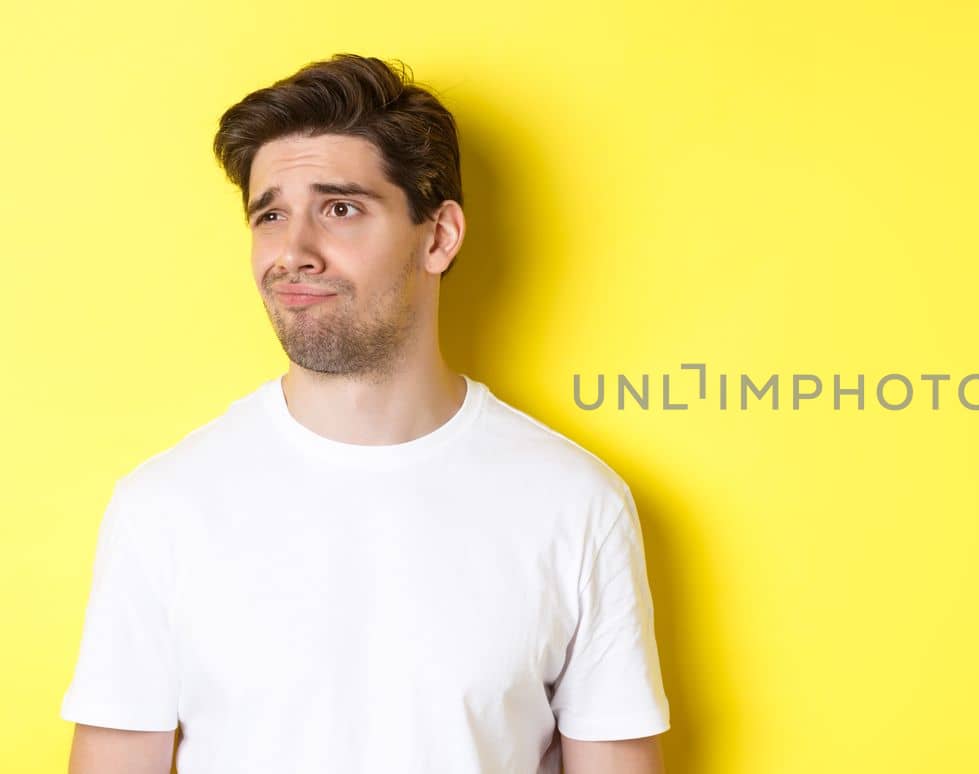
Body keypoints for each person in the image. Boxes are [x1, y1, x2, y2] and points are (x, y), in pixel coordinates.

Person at [60, 53, 670, 774]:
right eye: (271, 214)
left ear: (438, 237)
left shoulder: (575, 504)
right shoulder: (162, 507)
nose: (293, 252)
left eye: (340, 209)